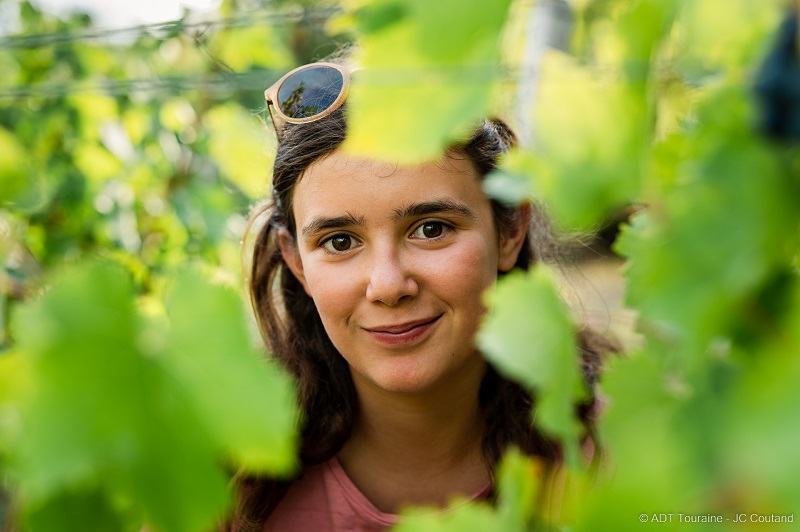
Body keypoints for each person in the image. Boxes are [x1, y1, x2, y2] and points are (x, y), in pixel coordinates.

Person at [233, 61, 610, 532]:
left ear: (510, 230)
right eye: (340, 241)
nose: (388, 286)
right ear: (296, 263)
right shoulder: (228, 478)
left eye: (431, 229)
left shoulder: (616, 453)